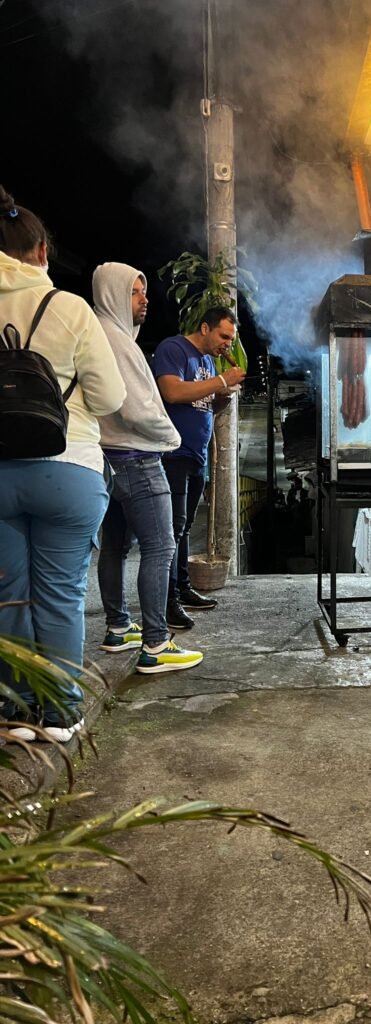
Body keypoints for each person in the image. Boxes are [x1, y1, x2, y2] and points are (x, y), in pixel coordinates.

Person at [0, 185, 126, 740]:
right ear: (41, 251)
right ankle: (59, 712)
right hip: (69, 466)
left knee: (8, 593)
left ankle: (15, 711)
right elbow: (111, 398)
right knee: (60, 594)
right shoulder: (69, 308)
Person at [93, 263, 203, 674]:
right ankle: (156, 644)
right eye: (134, 292)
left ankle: (118, 627)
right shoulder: (116, 341)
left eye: (143, 291)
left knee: (115, 547)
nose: (145, 300)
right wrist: (171, 438)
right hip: (137, 458)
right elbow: (137, 409)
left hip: (108, 459)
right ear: (112, 294)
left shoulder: (100, 334)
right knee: (160, 546)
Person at [153, 308, 246, 628]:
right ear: (205, 327)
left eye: (231, 339)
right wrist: (220, 381)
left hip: (196, 456)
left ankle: (182, 588)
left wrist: (224, 396)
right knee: (171, 530)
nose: (227, 344)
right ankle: (167, 603)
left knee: (185, 526)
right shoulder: (174, 349)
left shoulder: (208, 361)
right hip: (173, 454)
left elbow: (204, 404)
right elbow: (173, 392)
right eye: (223, 336)